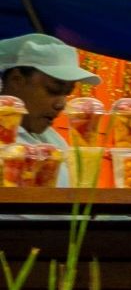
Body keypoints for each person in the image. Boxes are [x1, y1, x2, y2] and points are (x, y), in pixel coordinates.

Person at [0, 32, 93, 181]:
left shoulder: (55, 141)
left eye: (67, 93)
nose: (61, 104)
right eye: (53, 89)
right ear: (16, 80)